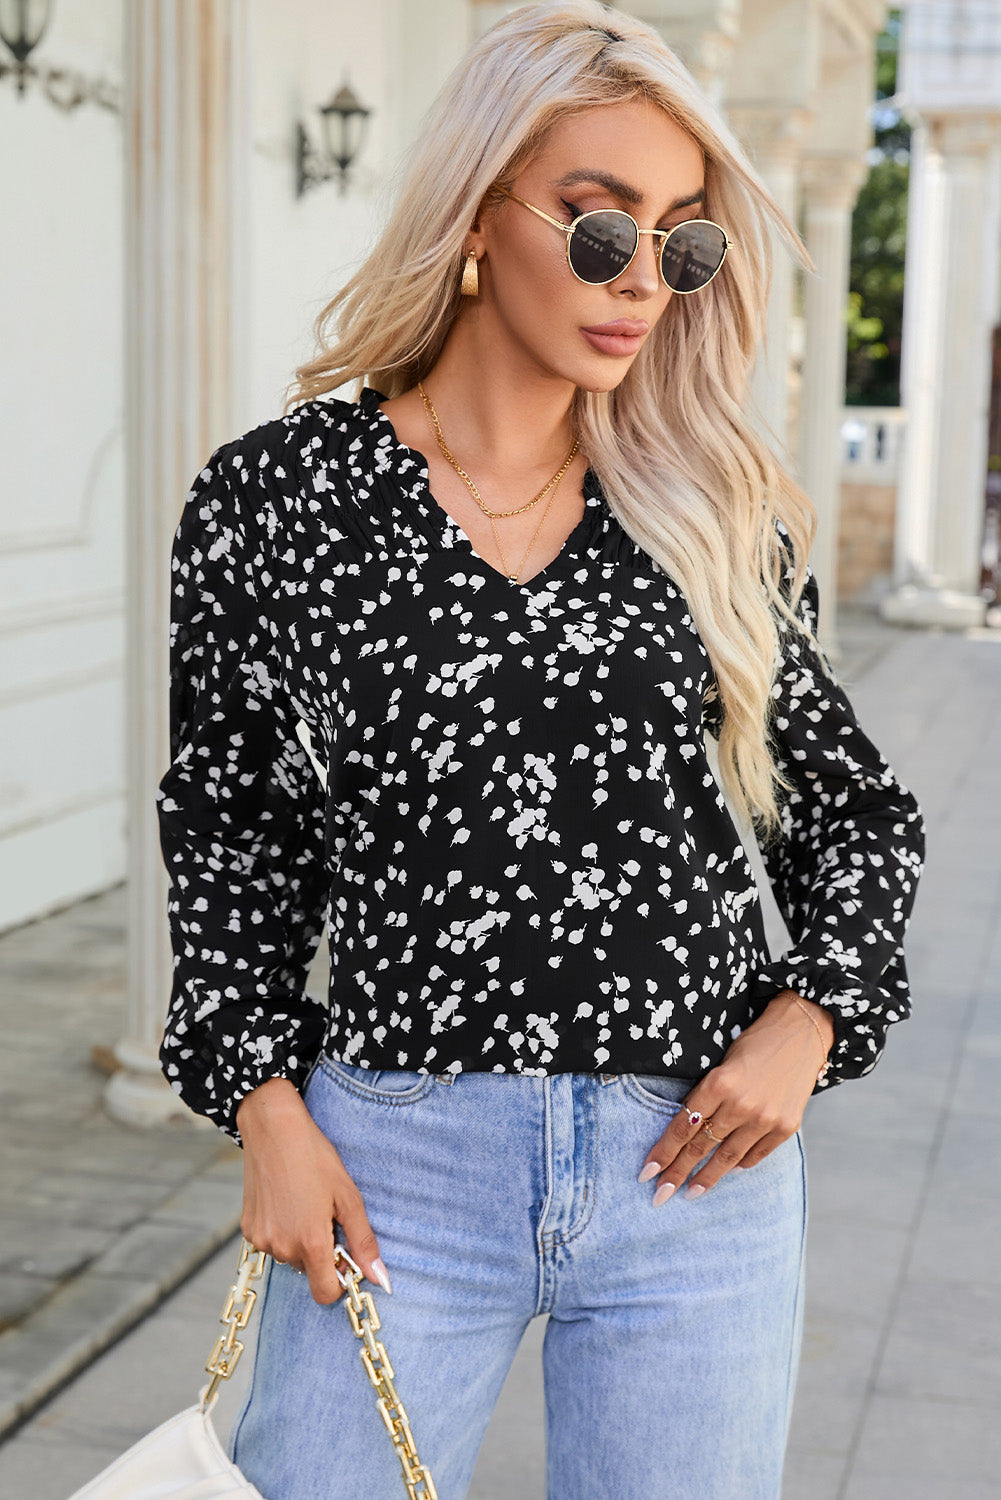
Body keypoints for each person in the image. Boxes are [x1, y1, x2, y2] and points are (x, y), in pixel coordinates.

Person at [154, 4, 925, 1497]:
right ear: (474, 212)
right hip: (393, 1167)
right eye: (599, 225)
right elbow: (232, 835)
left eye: (681, 243)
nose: (641, 279)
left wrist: (810, 1019)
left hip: (687, 1173)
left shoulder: (708, 506)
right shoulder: (280, 502)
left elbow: (854, 815)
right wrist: (265, 1110)